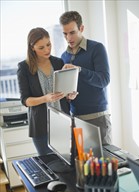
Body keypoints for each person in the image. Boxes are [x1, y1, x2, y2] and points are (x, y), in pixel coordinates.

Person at [17, 27, 78, 156]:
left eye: (48, 45)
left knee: (68, 165)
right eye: (41, 47)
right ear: (32, 47)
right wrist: (45, 98)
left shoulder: (58, 62)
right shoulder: (24, 68)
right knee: (49, 167)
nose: (47, 50)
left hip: (64, 123)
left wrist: (69, 95)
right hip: (41, 128)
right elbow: (25, 100)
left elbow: (63, 92)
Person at [59, 11, 112, 145]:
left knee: (101, 164)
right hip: (75, 119)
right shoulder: (63, 56)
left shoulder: (97, 48)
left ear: (81, 28)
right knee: (82, 165)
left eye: (72, 32)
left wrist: (79, 70)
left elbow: (103, 80)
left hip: (97, 119)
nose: (68, 38)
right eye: (65, 33)